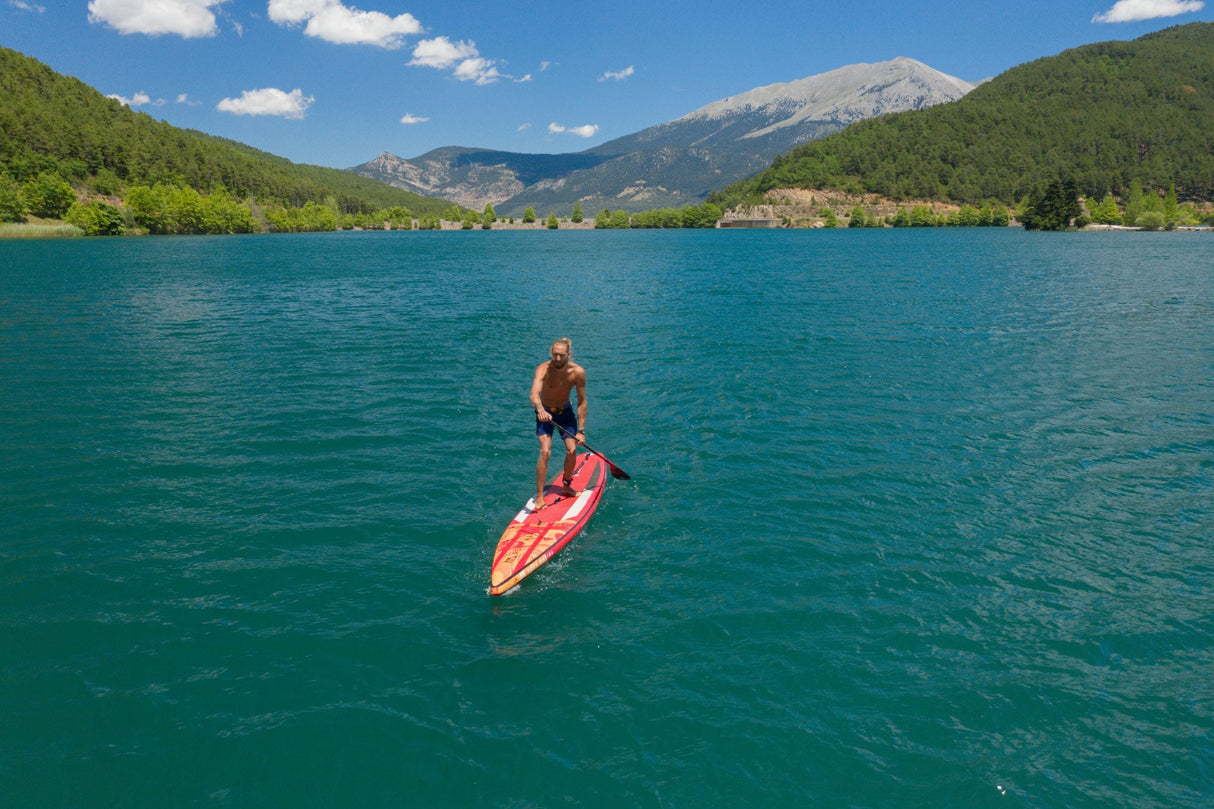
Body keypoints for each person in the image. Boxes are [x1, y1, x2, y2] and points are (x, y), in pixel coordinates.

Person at [530, 337, 586, 505]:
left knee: (571, 450)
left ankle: (567, 486)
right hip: (545, 414)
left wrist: (581, 431)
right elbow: (534, 393)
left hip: (566, 413)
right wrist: (540, 409)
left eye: (562, 355)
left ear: (569, 354)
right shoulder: (543, 369)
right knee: (545, 452)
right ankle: (539, 496)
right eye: (555, 355)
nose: (558, 359)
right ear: (550, 353)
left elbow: (582, 402)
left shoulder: (577, 372)